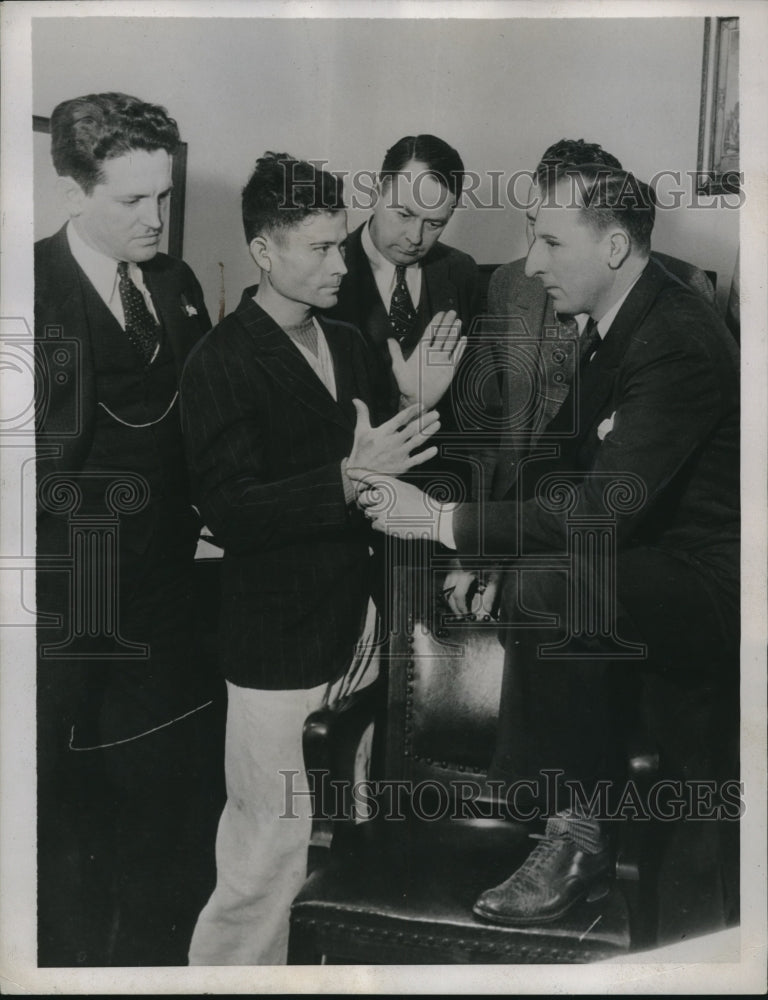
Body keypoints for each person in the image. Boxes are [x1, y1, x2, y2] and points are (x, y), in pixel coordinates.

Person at [355, 163, 739, 929]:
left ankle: (575, 837)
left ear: (617, 247)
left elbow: (596, 510)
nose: (530, 264)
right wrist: (485, 552)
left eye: (550, 242)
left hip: (711, 585)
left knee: (556, 586)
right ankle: (562, 824)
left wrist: (440, 524)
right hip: (646, 566)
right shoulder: (616, 320)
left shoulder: (676, 337)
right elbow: (561, 471)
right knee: (544, 578)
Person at [180, 152, 465, 965]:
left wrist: (418, 402)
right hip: (277, 642)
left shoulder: (348, 338)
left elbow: (387, 461)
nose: (342, 262)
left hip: (365, 629)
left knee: (358, 833)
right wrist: (345, 479)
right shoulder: (221, 361)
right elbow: (232, 508)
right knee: (267, 851)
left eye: (342, 244)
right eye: (320, 247)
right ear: (265, 252)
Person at [34, 92, 217, 966]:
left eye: (164, 198)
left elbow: (212, 418)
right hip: (72, 594)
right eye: (132, 201)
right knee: (67, 805)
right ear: (73, 193)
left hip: (171, 585)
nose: (156, 219)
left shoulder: (175, 285)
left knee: (169, 793)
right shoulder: (27, 286)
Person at [475, 138, 717, 505]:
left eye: (555, 236)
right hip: (517, 506)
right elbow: (490, 429)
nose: (533, 258)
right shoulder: (508, 286)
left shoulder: (687, 290)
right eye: (531, 222)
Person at [329, 134, 480, 497]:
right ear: (375, 193)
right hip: (355, 499)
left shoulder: (461, 272)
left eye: (435, 223)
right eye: (404, 214)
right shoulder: (326, 273)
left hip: (438, 499)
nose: (415, 237)